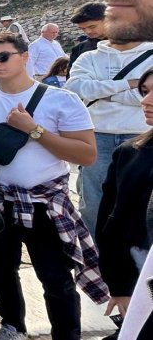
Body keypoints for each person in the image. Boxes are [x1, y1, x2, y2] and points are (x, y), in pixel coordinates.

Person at [0, 32, 107, 340]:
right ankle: (12, 326)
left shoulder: (62, 99)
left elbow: (87, 154)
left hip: (45, 202)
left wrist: (34, 130)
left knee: (56, 279)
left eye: (2, 57)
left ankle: (66, 335)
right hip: (0, 200)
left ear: (25, 56)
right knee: (2, 271)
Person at [64, 31, 153, 237]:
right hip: (97, 135)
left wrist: (103, 91)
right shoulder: (90, 57)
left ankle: (136, 256)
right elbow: (76, 88)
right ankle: (96, 258)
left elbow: (141, 97)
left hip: (141, 135)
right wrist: (130, 83)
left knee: (141, 200)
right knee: (93, 201)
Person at [96, 66, 153, 337]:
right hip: (141, 280)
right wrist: (119, 286)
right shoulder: (130, 153)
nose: (145, 101)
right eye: (144, 91)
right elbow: (112, 224)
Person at [68, 2, 106, 74]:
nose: (88, 31)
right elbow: (72, 79)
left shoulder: (127, 44)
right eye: (83, 28)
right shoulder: (78, 49)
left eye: (92, 27)